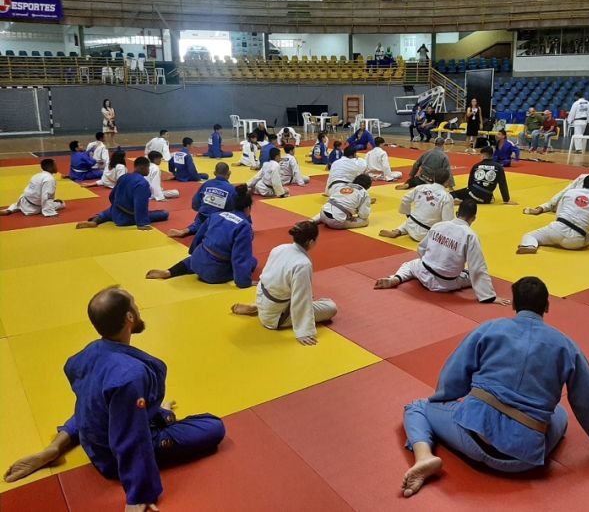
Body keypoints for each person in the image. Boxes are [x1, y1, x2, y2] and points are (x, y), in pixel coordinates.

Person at [399, 276, 589, 498]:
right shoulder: (565, 345)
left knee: (418, 407)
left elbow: (453, 376)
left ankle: (425, 456)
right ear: (546, 306)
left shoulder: (489, 329)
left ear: (514, 305)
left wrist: (446, 402)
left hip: (473, 439)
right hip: (525, 459)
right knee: (559, 412)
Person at [2, 286, 226, 509]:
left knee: (94, 402)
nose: (138, 308)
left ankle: (56, 447)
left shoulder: (90, 351)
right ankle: (155, 422)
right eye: (134, 304)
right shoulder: (129, 376)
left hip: (94, 434)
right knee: (214, 426)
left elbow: (87, 405)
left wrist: (152, 408)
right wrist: (138, 494)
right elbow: (130, 435)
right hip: (111, 456)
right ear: (129, 317)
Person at [230, 221, 338, 347]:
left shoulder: (279, 248)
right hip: (276, 318)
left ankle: (258, 307)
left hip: (264, 299)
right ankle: (261, 310)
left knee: (304, 295)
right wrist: (303, 332)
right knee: (331, 307)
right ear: (311, 242)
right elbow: (300, 300)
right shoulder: (302, 264)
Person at [374, 200, 504, 303]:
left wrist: (432, 260)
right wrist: (489, 297)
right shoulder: (470, 235)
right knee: (471, 274)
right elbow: (477, 267)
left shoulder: (439, 225)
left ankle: (397, 278)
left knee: (409, 265)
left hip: (423, 271)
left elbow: (421, 248)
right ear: (473, 218)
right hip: (446, 283)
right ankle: (484, 293)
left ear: (457, 213)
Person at [147, 187, 257, 289]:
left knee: (200, 256)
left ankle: (169, 271)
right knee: (252, 261)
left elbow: (199, 236)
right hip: (213, 273)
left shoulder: (217, 215)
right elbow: (240, 257)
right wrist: (244, 282)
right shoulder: (244, 226)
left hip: (197, 260)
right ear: (248, 208)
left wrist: (194, 252)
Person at [517, 174, 589, 255]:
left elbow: (559, 213)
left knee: (529, 235)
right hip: (575, 242)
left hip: (556, 230)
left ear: (583, 183)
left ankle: (530, 245)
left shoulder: (570, 193)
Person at [76, 157, 169, 230]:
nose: (148, 170)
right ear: (142, 167)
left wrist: (115, 206)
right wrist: (141, 223)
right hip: (127, 217)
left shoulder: (124, 176)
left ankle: (95, 221)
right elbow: (140, 204)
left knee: (104, 214)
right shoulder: (142, 183)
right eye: (148, 168)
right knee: (164, 213)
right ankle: (139, 221)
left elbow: (112, 195)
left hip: (114, 211)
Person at [379, 168, 454, 241]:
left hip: (411, 223)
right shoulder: (446, 197)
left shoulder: (421, 187)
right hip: (425, 233)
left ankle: (398, 231)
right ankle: (403, 230)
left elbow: (405, 199)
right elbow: (447, 221)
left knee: (414, 218)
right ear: (447, 181)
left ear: (433, 178)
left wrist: (407, 213)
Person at [167, 162, 237, 238]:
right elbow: (234, 208)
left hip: (203, 216)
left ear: (214, 173)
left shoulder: (206, 184)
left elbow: (195, 203)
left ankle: (186, 230)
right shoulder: (231, 189)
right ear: (229, 173)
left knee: (200, 221)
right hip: (219, 219)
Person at [524, 160, 589, 216]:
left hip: (567, 204)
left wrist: (553, 201)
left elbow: (567, 189)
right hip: (587, 209)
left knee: (557, 202)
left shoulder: (583, 176)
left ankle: (541, 208)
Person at [451, 146, 515, 206]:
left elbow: (470, 183)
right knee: (473, 194)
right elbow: (502, 184)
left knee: (452, 194)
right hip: (487, 199)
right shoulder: (498, 167)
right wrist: (506, 199)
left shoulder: (476, 166)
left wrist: (468, 192)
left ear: (483, 156)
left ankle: (462, 201)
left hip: (473, 193)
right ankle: (467, 200)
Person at [0, 158, 65, 217]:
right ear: (51, 167)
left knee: (18, 204)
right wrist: (50, 213)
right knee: (61, 204)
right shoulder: (50, 179)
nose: (57, 167)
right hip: (33, 208)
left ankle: (9, 210)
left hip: (23, 201)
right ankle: (47, 210)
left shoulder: (37, 175)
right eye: (55, 165)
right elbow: (46, 197)